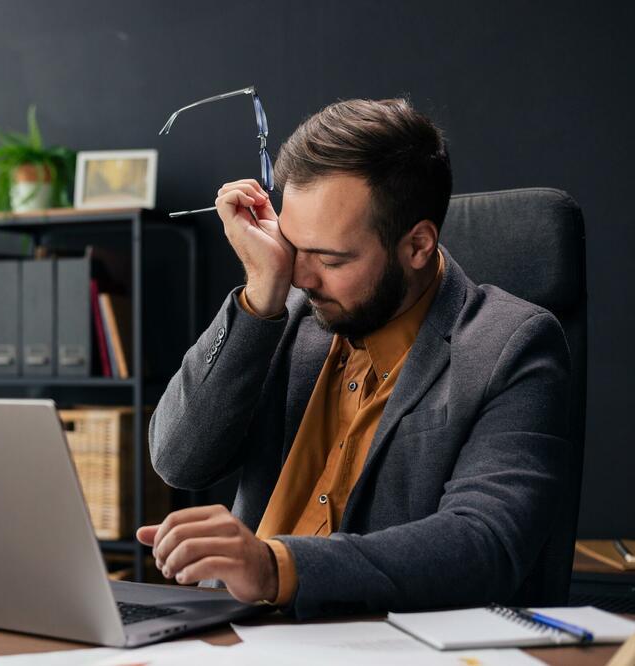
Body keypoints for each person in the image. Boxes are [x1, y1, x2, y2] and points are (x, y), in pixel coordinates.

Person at [137, 98, 572, 617]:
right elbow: (178, 460)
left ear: (417, 245)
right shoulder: (285, 313)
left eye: (331, 258)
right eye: (295, 247)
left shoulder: (512, 346)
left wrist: (276, 566)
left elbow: (484, 544)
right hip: (230, 635)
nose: (302, 275)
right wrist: (259, 298)